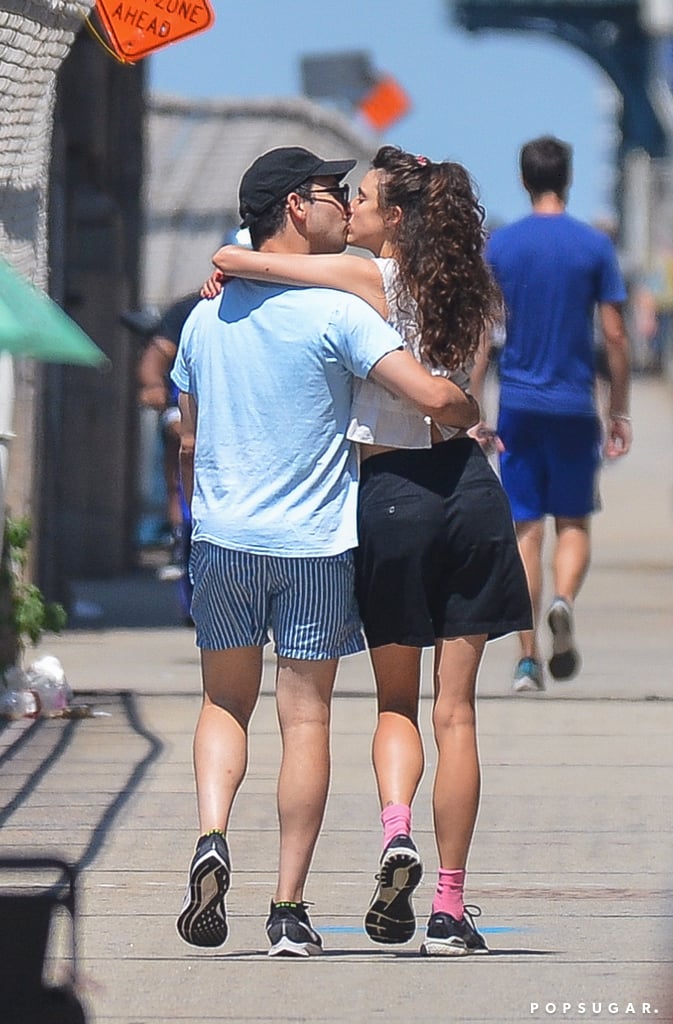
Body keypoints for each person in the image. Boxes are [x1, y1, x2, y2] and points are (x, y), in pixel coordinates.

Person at [205, 145, 532, 956]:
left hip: (390, 497)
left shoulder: (366, 280)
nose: (346, 210)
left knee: (396, 705)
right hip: (471, 491)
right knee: (457, 712)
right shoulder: (472, 290)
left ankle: (394, 835)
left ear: (391, 219)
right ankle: (451, 911)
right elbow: (459, 404)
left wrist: (228, 273)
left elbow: (236, 256)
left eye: (364, 200)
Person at [471, 135, 632, 694]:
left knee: (525, 529)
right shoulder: (593, 246)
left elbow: (482, 336)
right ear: (567, 178)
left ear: (523, 179)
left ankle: (527, 656)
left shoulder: (502, 247)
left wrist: (476, 405)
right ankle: (563, 599)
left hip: (517, 403)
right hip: (573, 405)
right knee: (573, 523)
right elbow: (613, 334)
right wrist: (619, 410)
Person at [137, 293, 200, 602]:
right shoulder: (192, 308)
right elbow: (155, 358)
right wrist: (154, 387)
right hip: (186, 407)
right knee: (181, 440)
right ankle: (180, 534)